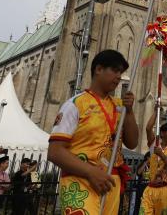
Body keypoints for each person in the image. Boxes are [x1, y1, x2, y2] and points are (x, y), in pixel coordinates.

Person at [47, 49, 139, 215]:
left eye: (121, 72)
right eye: (115, 70)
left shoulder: (120, 106)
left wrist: (130, 112)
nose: (119, 76)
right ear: (98, 69)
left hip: (111, 182)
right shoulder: (75, 104)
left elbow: (132, 143)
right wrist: (91, 172)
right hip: (81, 180)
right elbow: (54, 152)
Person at [140, 120, 167, 215]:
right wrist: (156, 109)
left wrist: (161, 155)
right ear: (162, 133)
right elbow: (148, 128)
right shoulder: (154, 146)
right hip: (150, 189)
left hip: (165, 189)